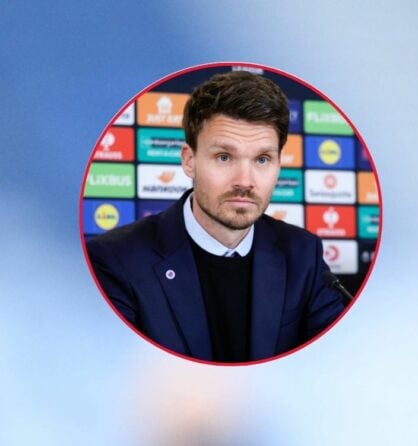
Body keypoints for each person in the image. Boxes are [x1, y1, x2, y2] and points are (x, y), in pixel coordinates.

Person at [86, 70, 345, 363]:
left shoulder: (303, 253)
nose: (245, 181)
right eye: (224, 157)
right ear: (189, 160)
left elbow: (336, 359)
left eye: (262, 159)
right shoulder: (117, 260)